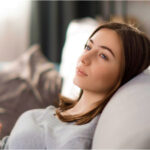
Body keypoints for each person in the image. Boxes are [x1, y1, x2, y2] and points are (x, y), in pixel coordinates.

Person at [0, 22, 150, 149]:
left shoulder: (75, 139)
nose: (84, 58)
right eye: (88, 47)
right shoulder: (63, 114)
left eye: (103, 55)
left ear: (124, 74)